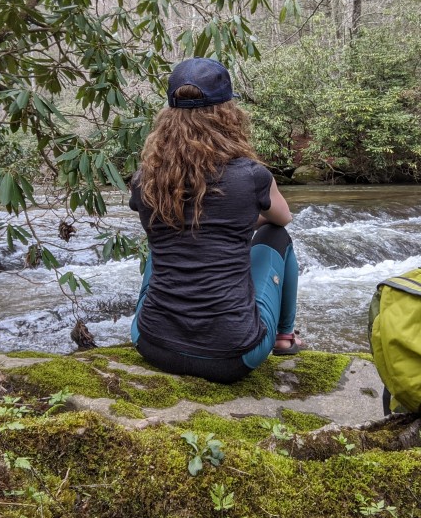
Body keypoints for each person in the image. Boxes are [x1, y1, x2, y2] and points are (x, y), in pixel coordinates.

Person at [129, 57, 302, 383]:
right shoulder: (252, 176)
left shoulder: (144, 178)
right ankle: (284, 337)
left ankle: (167, 326)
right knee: (277, 237)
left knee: (163, 241)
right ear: (229, 113)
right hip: (233, 357)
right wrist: (242, 224)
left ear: (168, 115)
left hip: (151, 343)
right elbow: (283, 217)